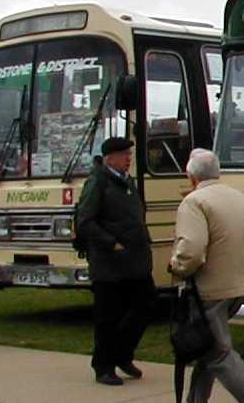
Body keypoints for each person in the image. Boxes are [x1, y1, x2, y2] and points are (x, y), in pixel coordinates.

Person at [170, 148, 244, 403]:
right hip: (237, 288)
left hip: (208, 290)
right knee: (208, 350)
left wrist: (176, 266)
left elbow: (191, 251)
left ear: (191, 175)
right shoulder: (241, 200)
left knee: (218, 354)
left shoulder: (194, 202)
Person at [76, 137, 155, 386]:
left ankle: (123, 353)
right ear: (109, 158)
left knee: (146, 304)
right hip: (109, 263)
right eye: (124, 155)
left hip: (135, 260)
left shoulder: (127, 182)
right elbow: (86, 221)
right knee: (108, 316)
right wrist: (111, 242)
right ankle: (104, 366)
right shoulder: (98, 182)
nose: (128, 159)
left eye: (129, 154)